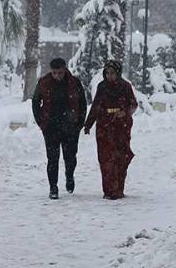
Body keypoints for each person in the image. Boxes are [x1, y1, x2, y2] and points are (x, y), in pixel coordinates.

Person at [32, 58, 88, 200]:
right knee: (52, 159)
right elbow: (35, 102)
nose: (57, 76)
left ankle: (69, 176)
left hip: (70, 127)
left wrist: (79, 124)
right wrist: (41, 122)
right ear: (51, 71)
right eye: (55, 73)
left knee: (70, 157)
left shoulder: (74, 83)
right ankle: (53, 187)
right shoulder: (44, 82)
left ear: (65, 70)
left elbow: (82, 103)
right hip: (51, 127)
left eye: (60, 73)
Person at [84, 60, 138, 200]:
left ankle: (119, 188)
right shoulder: (102, 87)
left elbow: (133, 104)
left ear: (118, 73)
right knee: (106, 159)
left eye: (112, 73)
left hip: (121, 126)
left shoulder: (125, 86)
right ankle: (109, 190)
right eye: (107, 73)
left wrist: (124, 112)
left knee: (121, 157)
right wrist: (88, 124)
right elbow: (96, 105)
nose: (110, 76)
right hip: (104, 126)